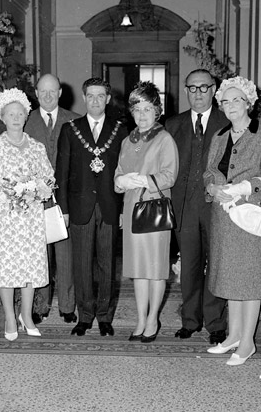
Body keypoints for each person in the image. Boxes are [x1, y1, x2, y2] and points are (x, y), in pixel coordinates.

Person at [203, 76, 261, 365]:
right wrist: (212, 187)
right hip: (224, 217)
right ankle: (234, 335)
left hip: (250, 215)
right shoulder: (220, 136)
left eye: (237, 99)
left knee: (249, 280)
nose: (231, 105)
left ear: (249, 102)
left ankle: (247, 343)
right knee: (230, 278)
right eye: (226, 101)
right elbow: (210, 170)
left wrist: (243, 188)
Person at [56, 77, 128, 337]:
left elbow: (125, 171)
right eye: (91, 96)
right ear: (84, 98)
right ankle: (85, 315)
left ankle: (105, 316)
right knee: (82, 264)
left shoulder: (120, 130)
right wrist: (63, 209)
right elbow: (61, 173)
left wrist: (122, 209)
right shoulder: (70, 129)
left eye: (101, 96)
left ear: (108, 99)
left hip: (110, 206)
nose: (96, 101)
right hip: (79, 207)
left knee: (108, 264)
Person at [0, 88, 54, 341]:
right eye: (10, 113)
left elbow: (48, 178)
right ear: (3, 117)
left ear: (26, 116)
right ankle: (10, 317)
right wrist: (14, 196)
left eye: (20, 113)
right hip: (6, 219)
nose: (15, 118)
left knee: (30, 268)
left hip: (31, 219)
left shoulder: (36, 147)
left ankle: (27, 314)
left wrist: (36, 191)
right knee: (8, 268)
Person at [165, 69, 228, 344]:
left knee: (215, 263)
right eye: (192, 88)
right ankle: (189, 320)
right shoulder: (173, 125)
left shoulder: (226, 121)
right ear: (186, 90)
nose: (198, 93)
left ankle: (216, 323)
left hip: (216, 205)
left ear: (214, 90)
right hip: (184, 205)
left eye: (204, 88)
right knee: (188, 264)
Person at [114, 82, 179, 343]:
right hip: (131, 209)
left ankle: (153, 319)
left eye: (148, 109)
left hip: (154, 209)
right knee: (137, 269)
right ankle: (140, 319)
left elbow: (169, 175)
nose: (142, 115)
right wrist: (120, 182)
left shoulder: (165, 139)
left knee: (155, 268)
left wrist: (142, 180)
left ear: (158, 111)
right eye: (137, 109)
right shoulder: (126, 141)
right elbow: (118, 174)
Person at [24, 74, 81, 324]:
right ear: (36, 93)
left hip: (65, 198)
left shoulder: (76, 121)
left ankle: (68, 306)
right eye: (42, 91)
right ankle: (41, 305)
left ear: (60, 93)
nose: (48, 96)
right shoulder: (24, 121)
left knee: (66, 254)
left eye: (52, 91)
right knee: (40, 254)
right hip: (34, 198)